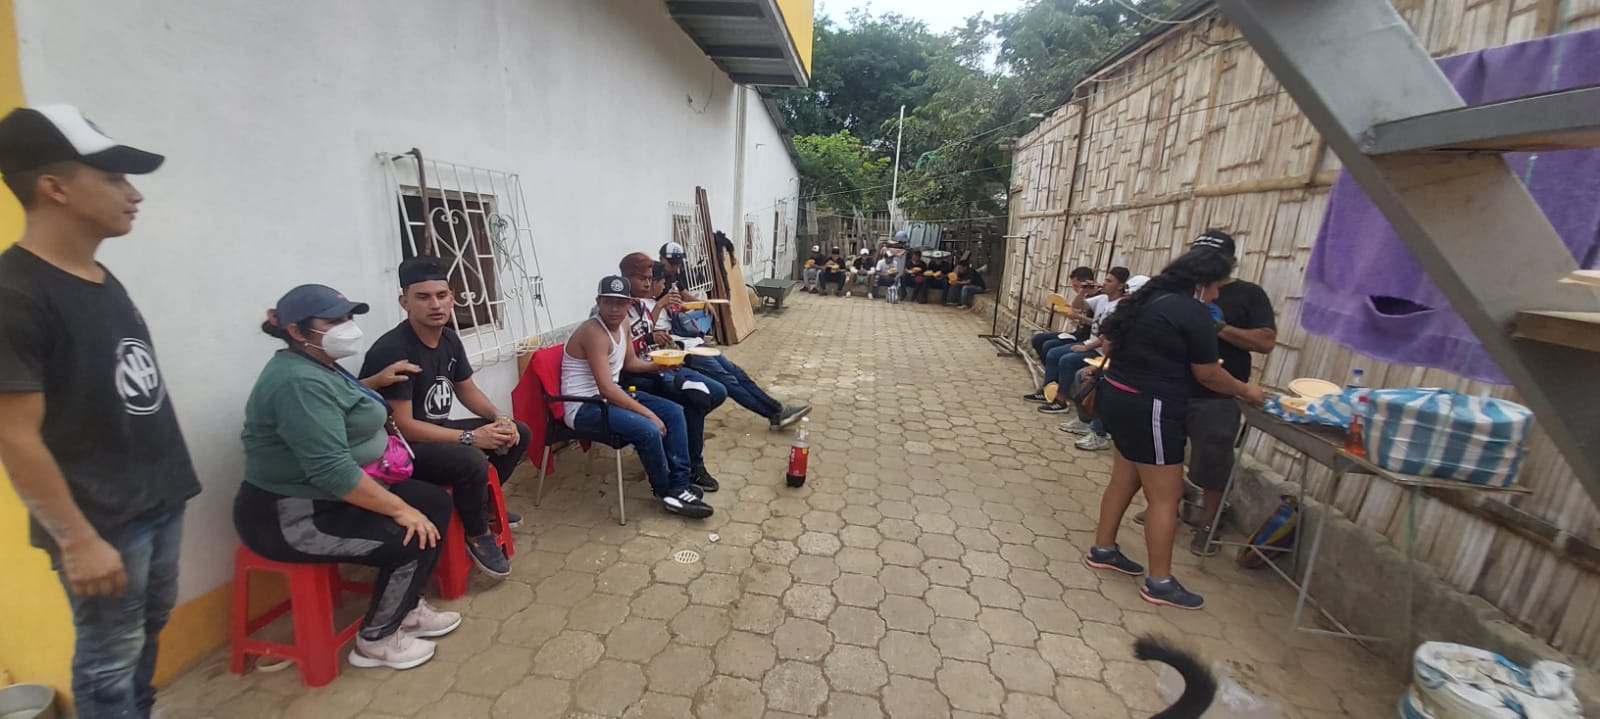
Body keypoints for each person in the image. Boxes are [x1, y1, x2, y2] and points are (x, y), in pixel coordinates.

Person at [0, 105, 202, 718]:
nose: (133, 194)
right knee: (109, 659)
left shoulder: (97, 275)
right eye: (113, 178)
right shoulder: (15, 293)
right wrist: (77, 539)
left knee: (145, 635)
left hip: (157, 498)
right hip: (102, 519)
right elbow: (14, 436)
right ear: (54, 187)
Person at [238, 285, 459, 670]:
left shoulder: (319, 363)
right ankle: (376, 639)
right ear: (296, 330)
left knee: (434, 503)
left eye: (347, 318)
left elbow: (341, 401)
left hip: (335, 497)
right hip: (294, 515)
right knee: (407, 535)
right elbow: (331, 470)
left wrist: (374, 383)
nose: (347, 328)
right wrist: (399, 509)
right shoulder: (297, 381)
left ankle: (406, 607)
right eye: (333, 321)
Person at [1081, 249, 1267, 610]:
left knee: (1124, 479)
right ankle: (1160, 582)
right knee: (1165, 498)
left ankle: (1103, 549)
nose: (1217, 295)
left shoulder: (1147, 300)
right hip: (1152, 407)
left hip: (1118, 396)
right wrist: (1248, 390)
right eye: (1217, 286)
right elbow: (1208, 373)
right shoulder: (1191, 312)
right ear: (1200, 283)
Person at [359, 256, 529, 577]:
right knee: (471, 459)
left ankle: (480, 506)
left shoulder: (449, 338)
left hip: (436, 431)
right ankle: (477, 533)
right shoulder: (393, 350)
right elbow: (403, 427)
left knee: (518, 432)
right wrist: (471, 437)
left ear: (452, 298)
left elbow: (466, 389)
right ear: (404, 302)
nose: (435, 305)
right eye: (423, 297)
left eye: (441, 295)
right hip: (401, 449)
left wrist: (499, 417)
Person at [564, 275, 714, 518]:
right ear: (598, 302)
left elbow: (631, 363)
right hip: (584, 407)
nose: (614, 309)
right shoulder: (593, 332)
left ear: (629, 303)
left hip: (608, 398)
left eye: (620, 303)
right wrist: (648, 414)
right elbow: (606, 388)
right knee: (649, 429)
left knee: (674, 412)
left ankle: (680, 484)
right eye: (608, 302)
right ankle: (665, 491)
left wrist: (659, 366)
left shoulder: (623, 324)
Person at [622, 254, 809, 431]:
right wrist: (661, 305)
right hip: (686, 351)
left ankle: (776, 409)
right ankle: (774, 413)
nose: (659, 285)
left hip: (694, 343)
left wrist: (683, 309)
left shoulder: (652, 301)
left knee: (736, 373)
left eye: (650, 279)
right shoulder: (642, 306)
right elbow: (648, 334)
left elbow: (675, 316)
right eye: (653, 281)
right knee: (728, 381)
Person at [1182, 230, 1277, 556]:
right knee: (1162, 455)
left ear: (1231, 261)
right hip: (1174, 386)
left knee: (1214, 461)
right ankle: (1166, 507)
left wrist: (1220, 328)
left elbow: (1265, 341)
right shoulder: (1183, 289)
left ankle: (1208, 524)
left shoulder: (1249, 294)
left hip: (1219, 394)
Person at [614, 253, 727, 491]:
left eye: (650, 279)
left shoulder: (643, 304)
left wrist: (666, 347)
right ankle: (691, 468)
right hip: (638, 376)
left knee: (716, 392)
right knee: (694, 400)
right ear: (625, 278)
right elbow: (622, 354)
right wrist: (650, 339)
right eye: (643, 279)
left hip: (658, 366)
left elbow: (649, 335)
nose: (648, 284)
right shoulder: (616, 310)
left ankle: (679, 447)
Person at [1030, 267, 1131, 413]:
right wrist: (1083, 291)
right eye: (1105, 280)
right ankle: (1046, 391)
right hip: (1091, 343)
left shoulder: (1121, 306)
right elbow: (1077, 305)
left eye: (1109, 281)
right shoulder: (1103, 299)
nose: (1105, 283)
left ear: (1120, 286)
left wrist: (1087, 347)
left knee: (1066, 360)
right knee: (1053, 353)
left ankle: (1061, 401)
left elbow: (1109, 335)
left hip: (1102, 350)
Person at [1028, 266, 1097, 363]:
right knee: (1038, 339)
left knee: (1050, 347)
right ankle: (1048, 368)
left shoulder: (1099, 299)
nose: (1074, 289)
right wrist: (1068, 310)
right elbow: (1077, 308)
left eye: (1076, 286)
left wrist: (1079, 317)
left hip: (1087, 339)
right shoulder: (1084, 296)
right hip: (1076, 334)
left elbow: (1099, 324)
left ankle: (1053, 371)